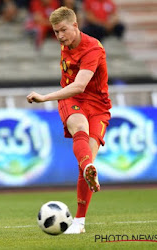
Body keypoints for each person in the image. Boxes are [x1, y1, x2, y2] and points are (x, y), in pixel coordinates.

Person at [27, 6, 111, 234]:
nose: (60, 36)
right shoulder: (65, 43)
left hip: (98, 106)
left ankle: (80, 222)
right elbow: (74, 89)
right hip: (71, 98)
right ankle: (88, 168)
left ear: (75, 25)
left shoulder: (92, 48)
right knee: (79, 129)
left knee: (86, 160)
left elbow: (81, 84)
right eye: (55, 32)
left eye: (63, 30)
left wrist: (44, 97)